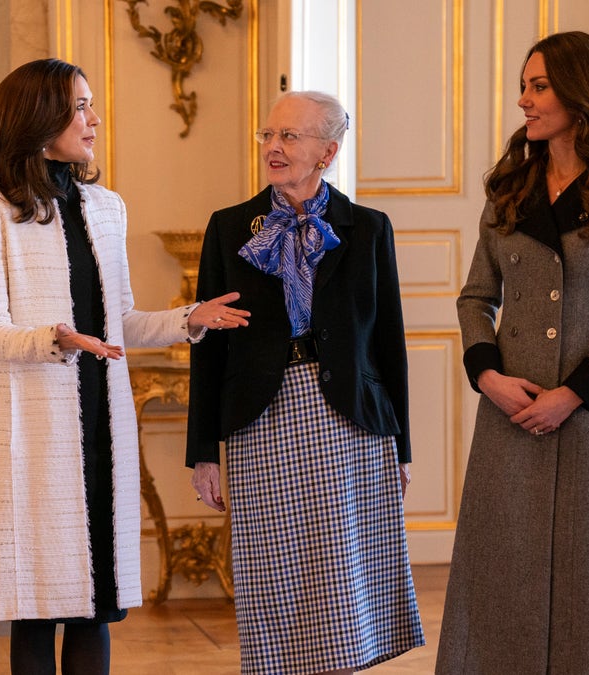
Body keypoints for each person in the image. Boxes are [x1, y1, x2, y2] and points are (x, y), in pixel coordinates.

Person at [0, 58, 248, 675]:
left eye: (90, 104)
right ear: (38, 120)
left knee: (96, 602)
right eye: (79, 106)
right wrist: (56, 339)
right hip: (34, 431)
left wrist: (191, 317)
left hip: (103, 427)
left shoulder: (106, 207)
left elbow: (122, 324)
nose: (93, 118)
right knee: (37, 604)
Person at [435, 31, 589, 673]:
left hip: (586, 414)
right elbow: (475, 297)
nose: (525, 101)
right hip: (509, 411)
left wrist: (575, 394)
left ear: (579, 91)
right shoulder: (508, 185)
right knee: (501, 569)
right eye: (524, 86)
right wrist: (488, 377)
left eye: (539, 87)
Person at [187, 90, 425, 675]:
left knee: (347, 575)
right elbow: (209, 350)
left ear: (328, 151)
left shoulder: (368, 229)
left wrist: (402, 445)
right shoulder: (227, 229)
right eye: (269, 135)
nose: (273, 147)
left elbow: (388, 342)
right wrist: (202, 453)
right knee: (274, 572)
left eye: (289, 137)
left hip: (350, 419)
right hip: (260, 417)